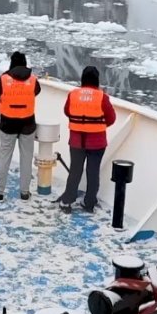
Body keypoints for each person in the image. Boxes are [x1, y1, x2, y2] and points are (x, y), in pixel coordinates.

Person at [57, 66, 116, 213]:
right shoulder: (102, 97)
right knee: (93, 172)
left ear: (82, 79)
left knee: (75, 171)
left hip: (77, 142)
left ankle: (67, 201)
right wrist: (98, 126)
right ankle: (89, 202)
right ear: (97, 80)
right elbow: (111, 118)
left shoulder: (73, 94)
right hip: (97, 143)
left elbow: (67, 111)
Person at [0, 52, 42, 201]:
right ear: (25, 63)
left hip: (7, 124)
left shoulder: (4, 79)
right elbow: (37, 91)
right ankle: (24, 193)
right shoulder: (33, 79)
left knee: (5, 157)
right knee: (26, 158)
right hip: (28, 124)